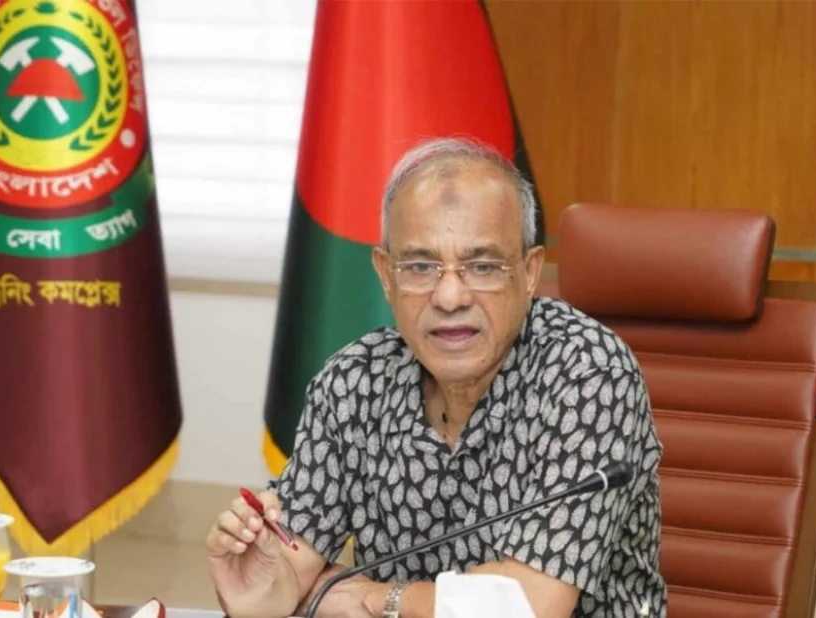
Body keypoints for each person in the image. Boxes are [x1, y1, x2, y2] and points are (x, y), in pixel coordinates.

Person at [206, 136, 666, 618]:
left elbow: (529, 607)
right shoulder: (354, 382)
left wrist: (374, 598)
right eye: (420, 266)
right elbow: (288, 577)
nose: (449, 297)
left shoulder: (586, 373)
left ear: (530, 272)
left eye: (482, 266)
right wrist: (256, 586)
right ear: (386, 274)